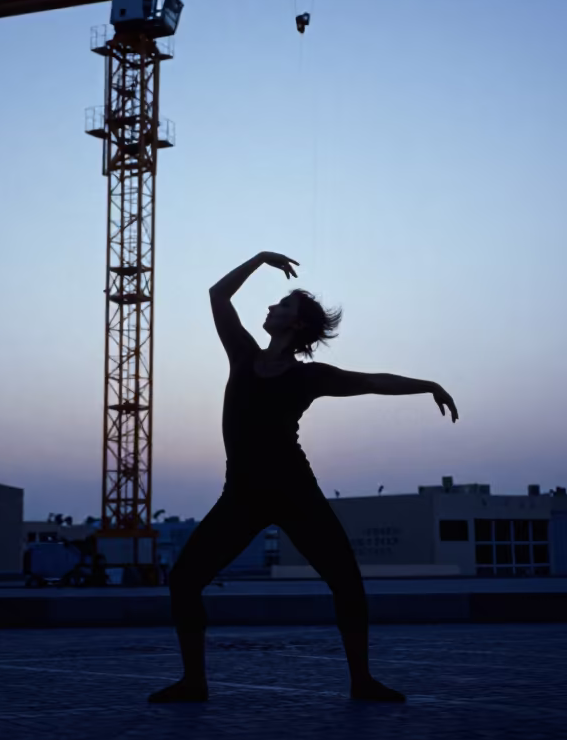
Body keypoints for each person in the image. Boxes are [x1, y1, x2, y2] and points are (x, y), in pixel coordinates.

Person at [148, 251, 459, 703]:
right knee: (184, 580)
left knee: (346, 581)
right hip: (243, 493)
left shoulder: (311, 376)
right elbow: (218, 295)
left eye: (282, 306)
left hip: (295, 489)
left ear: (296, 325)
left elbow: (372, 380)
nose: (271, 308)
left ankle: (362, 682)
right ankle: (194, 682)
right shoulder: (243, 356)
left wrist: (427, 384)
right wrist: (258, 259)